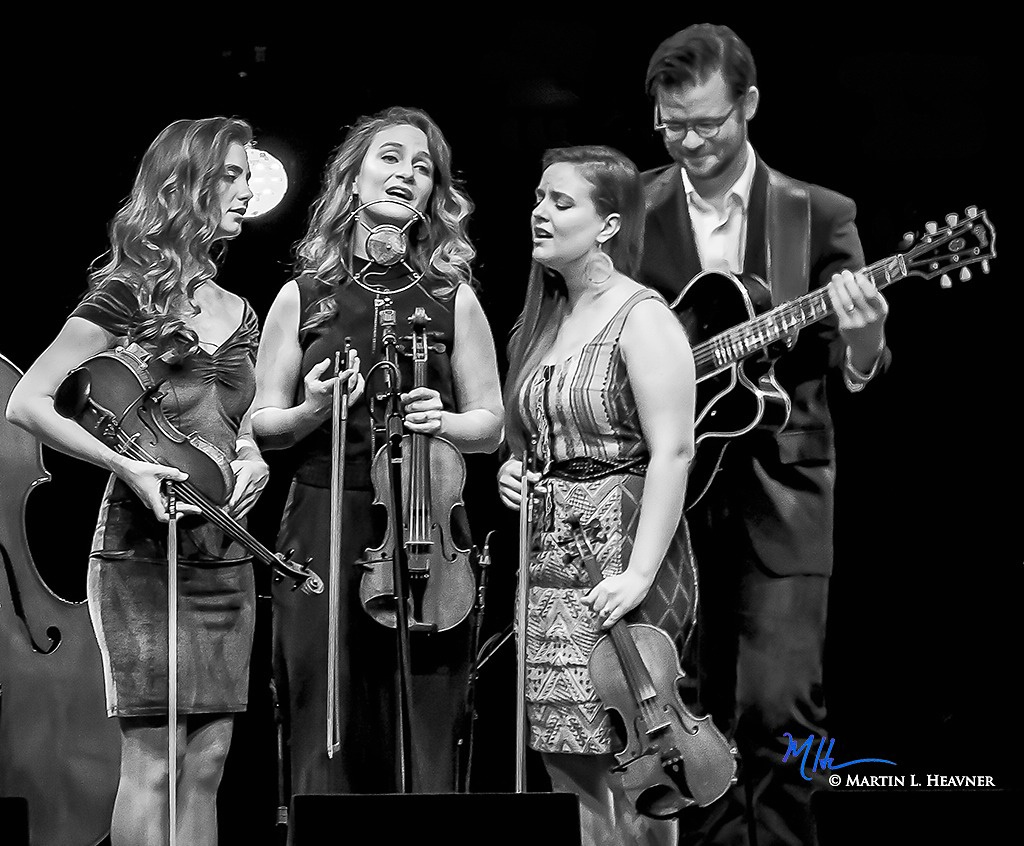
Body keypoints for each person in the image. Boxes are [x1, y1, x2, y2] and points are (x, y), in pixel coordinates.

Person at [639, 24, 891, 846]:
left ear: (748, 105)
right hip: (665, 494)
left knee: (785, 705)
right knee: (689, 712)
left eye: (705, 124)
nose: (688, 142)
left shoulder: (819, 213)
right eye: (670, 124)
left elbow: (862, 366)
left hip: (784, 491)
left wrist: (862, 340)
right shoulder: (630, 208)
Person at [5, 117, 265, 846]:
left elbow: (235, 419)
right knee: (155, 756)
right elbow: (29, 402)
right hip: (141, 552)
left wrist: (252, 455)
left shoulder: (238, 310)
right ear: (182, 186)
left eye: (248, 177)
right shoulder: (126, 295)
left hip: (225, 552)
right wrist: (125, 464)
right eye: (232, 176)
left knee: (209, 759)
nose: (246, 192)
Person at [252, 105, 503, 799]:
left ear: (432, 196)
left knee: (421, 723)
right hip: (322, 517)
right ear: (354, 179)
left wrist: (444, 419)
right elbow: (264, 424)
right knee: (319, 718)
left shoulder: (454, 297)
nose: (408, 175)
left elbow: (491, 424)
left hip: (425, 527)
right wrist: (311, 410)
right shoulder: (302, 295)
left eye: (423, 168)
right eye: (391, 158)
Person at [498, 145, 697, 846]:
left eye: (562, 202)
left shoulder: (641, 317)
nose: (540, 213)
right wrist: (515, 470)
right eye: (539, 197)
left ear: (609, 225)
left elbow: (673, 449)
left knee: (634, 759)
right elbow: (529, 436)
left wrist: (639, 572)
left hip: (617, 556)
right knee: (565, 755)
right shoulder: (544, 319)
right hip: (549, 566)